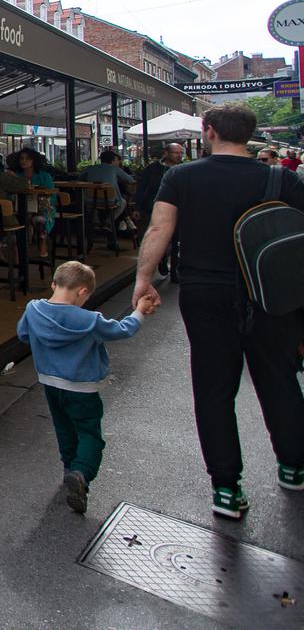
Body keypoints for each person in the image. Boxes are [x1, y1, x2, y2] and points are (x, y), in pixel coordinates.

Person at [133, 104, 304, 518]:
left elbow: (159, 228)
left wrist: (144, 280)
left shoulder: (182, 176)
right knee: (278, 376)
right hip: (271, 294)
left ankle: (226, 488)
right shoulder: (281, 178)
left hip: (205, 291)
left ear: (208, 132)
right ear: (249, 134)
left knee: (213, 387)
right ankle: (293, 467)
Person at [18, 261, 153, 514]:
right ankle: (81, 473)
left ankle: (69, 469)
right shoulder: (89, 320)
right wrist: (140, 312)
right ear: (82, 292)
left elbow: (23, 334)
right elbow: (122, 330)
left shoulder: (33, 309)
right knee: (89, 434)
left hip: (49, 382)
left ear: (54, 285)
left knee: (64, 428)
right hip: (82, 388)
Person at [134, 142, 184, 276]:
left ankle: (174, 271)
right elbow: (142, 188)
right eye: (176, 152)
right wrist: (138, 207)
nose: (179, 155)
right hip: (154, 208)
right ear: (166, 153)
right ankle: (162, 258)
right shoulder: (152, 169)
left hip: (178, 209)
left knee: (176, 240)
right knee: (159, 238)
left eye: (181, 153)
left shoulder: (184, 169)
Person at [7, 148, 55, 259]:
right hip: (19, 208)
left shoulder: (44, 176)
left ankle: (42, 242)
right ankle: (18, 250)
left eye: (28, 158)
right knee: (17, 219)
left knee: (40, 219)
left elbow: (51, 196)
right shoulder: (16, 175)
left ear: (34, 161)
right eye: (22, 158)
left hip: (42, 207)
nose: (24, 161)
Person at [79, 150, 135, 242]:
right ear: (112, 161)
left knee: (94, 201)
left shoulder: (90, 168)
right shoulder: (114, 169)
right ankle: (109, 222)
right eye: (117, 160)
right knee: (123, 202)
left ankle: (95, 220)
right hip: (109, 201)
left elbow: (80, 178)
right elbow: (130, 180)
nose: (119, 162)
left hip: (90, 201)